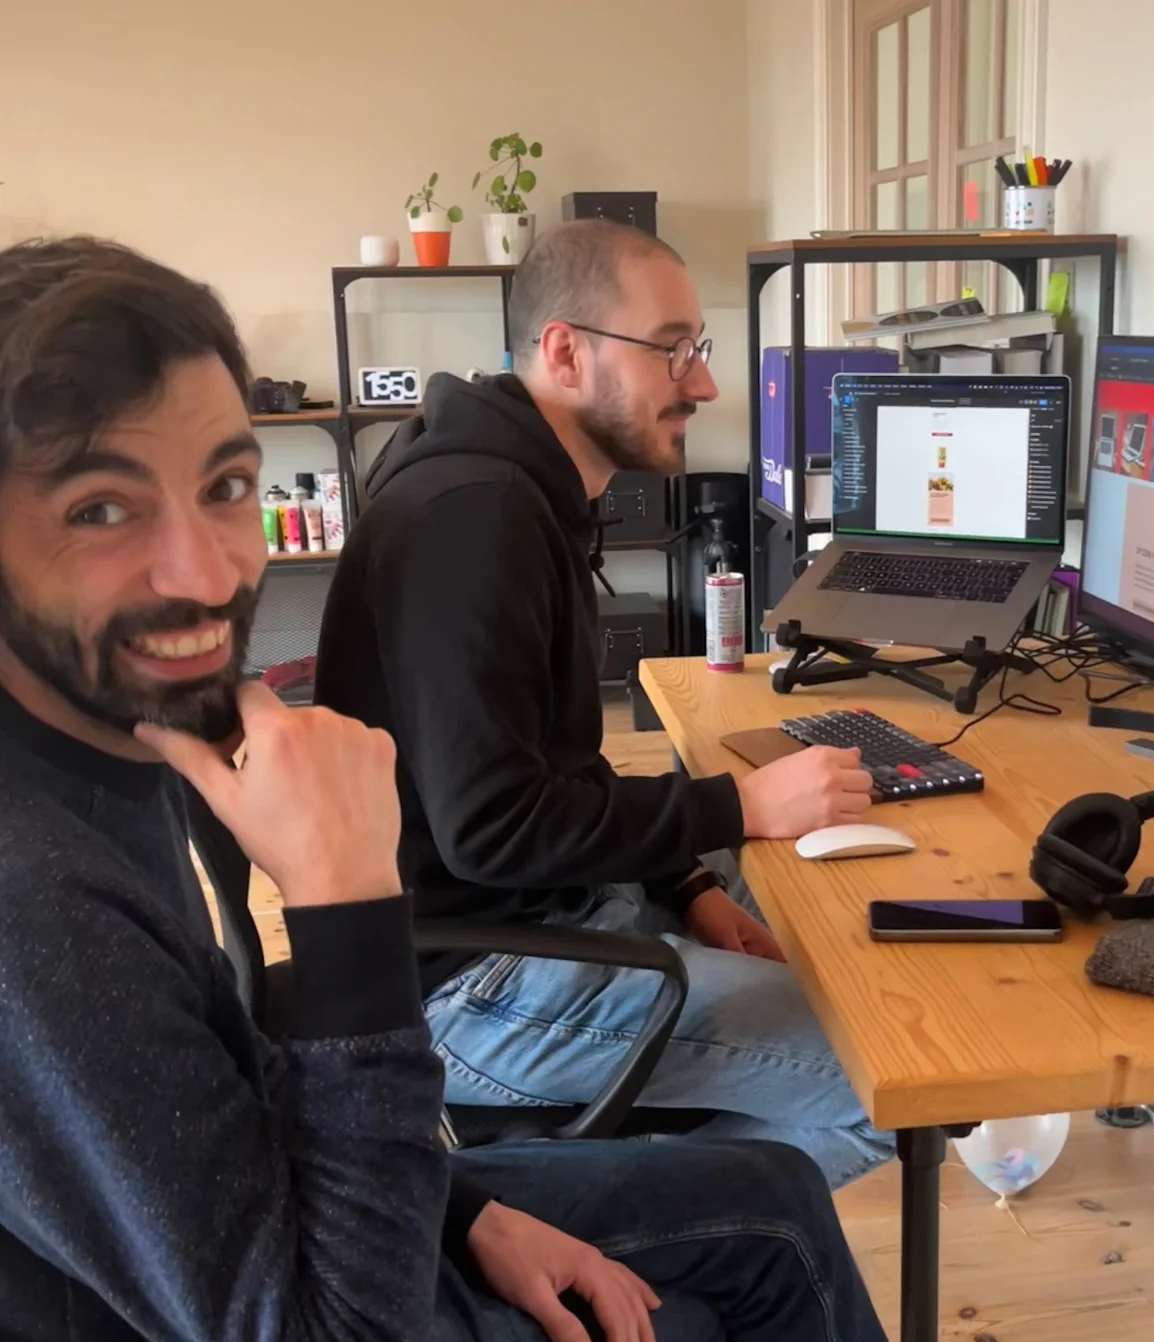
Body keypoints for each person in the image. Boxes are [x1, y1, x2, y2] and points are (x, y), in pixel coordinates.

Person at [0, 236, 900, 1342]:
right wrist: (344, 904)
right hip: (433, 1049)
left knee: (769, 1199)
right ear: (565, 351)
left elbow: (212, 1075)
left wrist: (463, 1203)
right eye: (99, 508)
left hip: (329, 1179)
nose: (208, 571)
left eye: (225, 486)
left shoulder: (101, 760)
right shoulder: (34, 897)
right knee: (870, 1080)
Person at [313, 220, 894, 1191]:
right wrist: (741, 807)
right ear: (565, 352)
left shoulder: (517, 491)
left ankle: (647, 1192)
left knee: (821, 908)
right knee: (894, 1073)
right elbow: (495, 828)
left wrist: (689, 880)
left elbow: (557, 767)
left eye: (698, 348)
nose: (704, 384)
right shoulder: (476, 519)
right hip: (471, 984)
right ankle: (597, 1221)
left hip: (535, 913)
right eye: (672, 350)